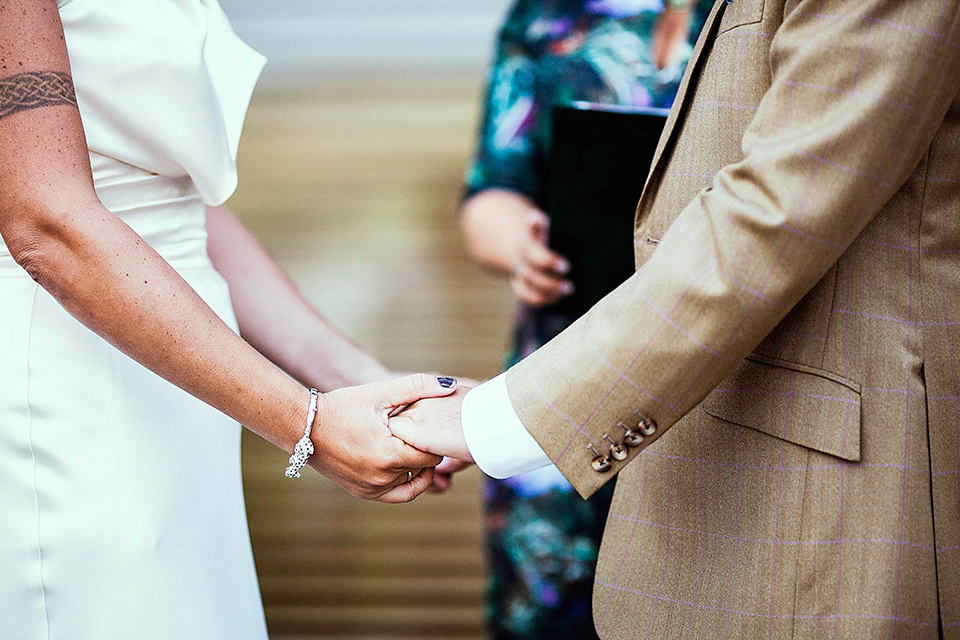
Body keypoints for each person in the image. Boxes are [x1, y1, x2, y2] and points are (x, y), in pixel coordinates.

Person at [391, 0, 960, 637]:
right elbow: (494, 181)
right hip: (580, 386)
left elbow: (777, 213)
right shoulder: (546, 16)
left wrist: (489, 420)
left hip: (770, 460)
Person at [0, 1, 456, 638]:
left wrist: (361, 380)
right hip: (72, 385)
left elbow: (174, 206)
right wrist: (308, 424)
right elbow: (47, 224)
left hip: (182, 399)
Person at [456, 0, 710, 636]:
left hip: (717, 384)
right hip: (561, 377)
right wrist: (524, 245)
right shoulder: (543, 17)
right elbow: (493, 186)